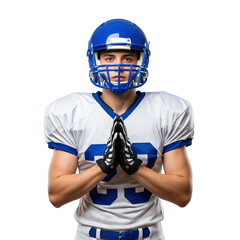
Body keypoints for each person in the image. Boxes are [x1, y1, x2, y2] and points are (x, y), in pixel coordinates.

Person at [44, 19, 194, 240]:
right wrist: (104, 167)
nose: (118, 67)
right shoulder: (70, 112)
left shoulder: (168, 110)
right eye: (109, 58)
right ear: (95, 60)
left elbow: (182, 193)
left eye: (127, 58)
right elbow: (56, 194)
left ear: (140, 60)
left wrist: (135, 168)